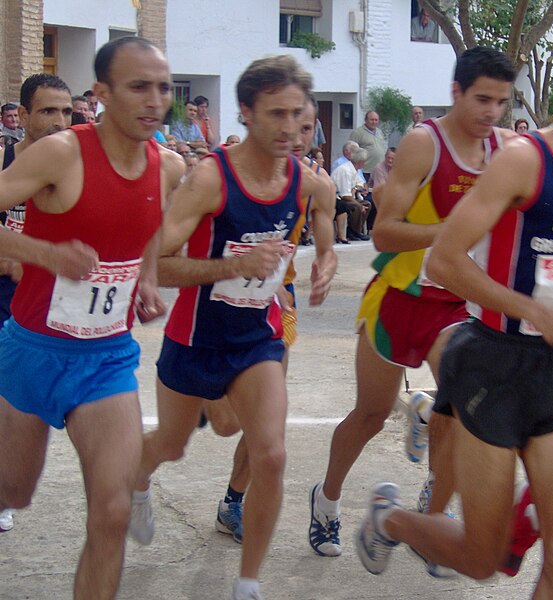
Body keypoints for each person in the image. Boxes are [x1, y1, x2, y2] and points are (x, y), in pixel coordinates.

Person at [354, 35, 553, 600]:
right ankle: (390, 520)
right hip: (493, 363)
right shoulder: (522, 159)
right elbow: (445, 259)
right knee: (482, 558)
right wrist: (532, 310)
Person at [127, 54, 334, 600]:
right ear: (245, 111)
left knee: (272, 453)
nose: (290, 128)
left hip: (257, 336)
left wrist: (327, 260)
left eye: (298, 115)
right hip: (195, 339)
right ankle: (139, 482)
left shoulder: (306, 182)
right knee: (171, 445)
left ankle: (248, 584)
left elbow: (323, 221)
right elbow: (158, 263)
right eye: (276, 114)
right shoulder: (209, 179)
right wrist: (233, 266)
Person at [311, 46, 518, 576]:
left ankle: (432, 525)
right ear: (456, 93)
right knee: (370, 415)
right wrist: (454, 232)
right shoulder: (427, 144)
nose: (492, 111)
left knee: (459, 414)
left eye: (501, 100)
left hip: (456, 304)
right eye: (482, 99)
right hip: (399, 297)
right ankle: (327, 500)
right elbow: (384, 231)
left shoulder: (508, 149)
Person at [0, 36, 183, 599]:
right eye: (138, 87)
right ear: (101, 94)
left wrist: (147, 279)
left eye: (164, 88)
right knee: (15, 491)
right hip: (32, 352)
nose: (155, 101)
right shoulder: (62, 154)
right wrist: (43, 254)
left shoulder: (167, 167)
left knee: (111, 513)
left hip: (105, 359)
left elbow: (150, 233)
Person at [208, 92, 338, 545]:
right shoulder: (226, 170)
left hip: (275, 306)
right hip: (213, 303)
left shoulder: (314, 184)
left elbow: (326, 242)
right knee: (225, 421)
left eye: (307, 129)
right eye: (289, 125)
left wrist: (325, 264)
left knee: (268, 417)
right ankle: (206, 395)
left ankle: (233, 501)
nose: (297, 137)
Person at [0, 73, 75, 533]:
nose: (59, 121)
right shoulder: (5, 161)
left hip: (52, 299)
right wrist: (16, 255)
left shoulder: (73, 164)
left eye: (67, 112)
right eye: (48, 111)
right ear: (24, 116)